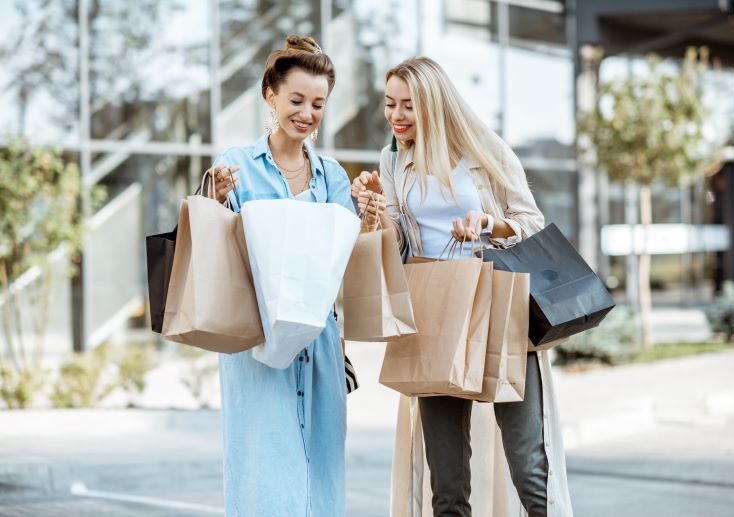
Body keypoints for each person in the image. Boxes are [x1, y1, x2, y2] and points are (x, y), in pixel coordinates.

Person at [352, 56, 573, 516]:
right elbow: (395, 247)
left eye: (408, 106)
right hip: (432, 311)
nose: (395, 116)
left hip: (496, 305)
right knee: (446, 479)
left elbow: (532, 222)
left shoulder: (483, 150)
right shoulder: (393, 159)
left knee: (528, 462)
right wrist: (372, 210)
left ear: (433, 103)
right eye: (389, 104)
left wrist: (489, 222)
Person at [208, 35, 354, 516]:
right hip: (256, 342)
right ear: (270, 95)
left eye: (318, 104)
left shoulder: (332, 175)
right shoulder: (236, 165)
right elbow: (214, 250)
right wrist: (215, 201)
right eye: (297, 100)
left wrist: (370, 216)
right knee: (264, 469)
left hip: (320, 343)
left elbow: (345, 263)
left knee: (321, 470)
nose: (307, 114)